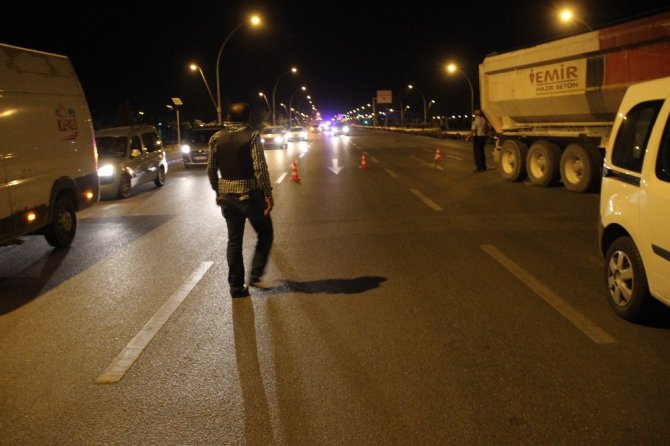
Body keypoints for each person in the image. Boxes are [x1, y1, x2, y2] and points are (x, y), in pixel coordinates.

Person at [208, 103, 274, 298]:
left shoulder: (216, 138)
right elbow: (259, 167)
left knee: (234, 240)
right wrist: (268, 194)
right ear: (248, 118)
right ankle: (255, 274)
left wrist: (217, 190)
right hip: (250, 196)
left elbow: (211, 169)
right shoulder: (252, 136)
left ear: (228, 116)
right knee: (265, 232)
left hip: (227, 197)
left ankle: (236, 287)